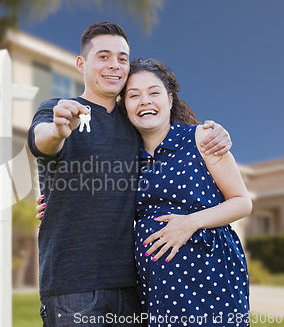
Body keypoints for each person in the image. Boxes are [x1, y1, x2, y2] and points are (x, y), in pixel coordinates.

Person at [28, 21, 232, 327]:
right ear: (82, 64)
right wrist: (58, 129)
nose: (115, 65)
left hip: (134, 284)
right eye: (104, 56)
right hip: (74, 285)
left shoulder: (134, 123)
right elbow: (41, 142)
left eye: (122, 58)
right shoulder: (59, 109)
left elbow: (167, 144)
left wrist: (219, 134)